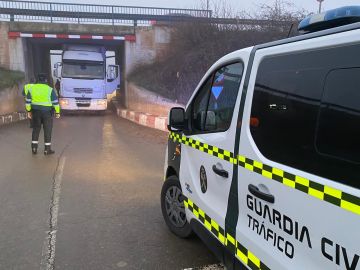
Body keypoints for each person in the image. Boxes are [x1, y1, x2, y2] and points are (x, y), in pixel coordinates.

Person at [25, 74, 60, 155]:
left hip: (35, 112)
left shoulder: (31, 89)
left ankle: (34, 148)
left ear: (37, 80)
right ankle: (47, 150)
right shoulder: (50, 89)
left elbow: (28, 102)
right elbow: (55, 103)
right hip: (47, 113)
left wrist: (29, 111)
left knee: (36, 129)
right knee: (47, 130)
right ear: (45, 80)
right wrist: (57, 112)